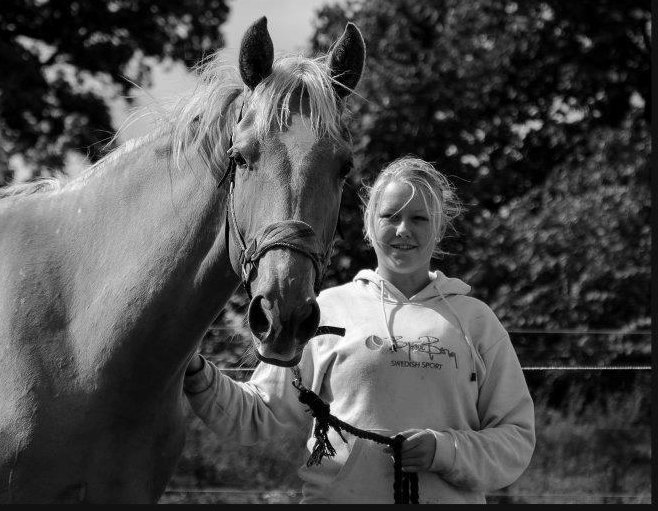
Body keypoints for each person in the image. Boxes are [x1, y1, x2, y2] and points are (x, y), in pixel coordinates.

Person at [183, 156, 535, 503]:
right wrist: (193, 370)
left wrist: (445, 451)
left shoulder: (475, 320)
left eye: (419, 219)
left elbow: (516, 440)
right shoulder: (324, 309)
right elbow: (256, 413)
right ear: (369, 224)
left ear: (439, 229)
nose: (403, 230)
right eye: (390, 216)